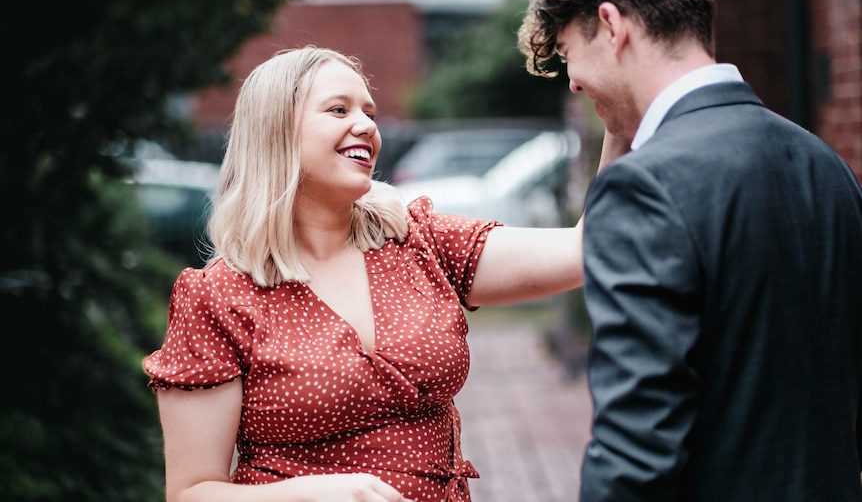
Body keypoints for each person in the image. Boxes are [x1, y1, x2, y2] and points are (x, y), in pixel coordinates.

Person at [142, 46, 625, 502]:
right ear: (276, 131)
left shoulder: (420, 242)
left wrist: (621, 113)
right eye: (339, 110)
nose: (366, 126)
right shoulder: (219, 296)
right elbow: (192, 491)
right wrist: (310, 493)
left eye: (369, 113)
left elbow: (587, 248)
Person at [517, 0, 862, 501]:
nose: (573, 80)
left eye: (568, 53)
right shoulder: (826, 165)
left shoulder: (643, 189)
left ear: (611, 24)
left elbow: (634, 451)